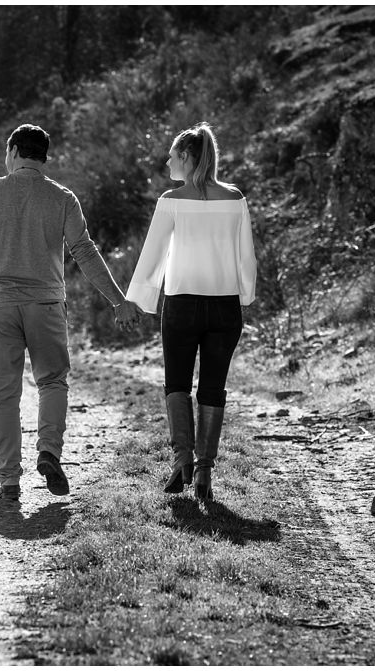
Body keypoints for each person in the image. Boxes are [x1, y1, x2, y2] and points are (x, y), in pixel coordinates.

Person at [0, 123, 142, 501]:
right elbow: (84, 252)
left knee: (5, 394)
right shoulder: (63, 198)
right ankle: (48, 452)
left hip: (0, 305)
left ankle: (8, 480)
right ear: (43, 157)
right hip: (46, 304)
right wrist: (118, 301)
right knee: (52, 382)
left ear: (14, 150)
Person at [126, 122, 257, 500]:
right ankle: (203, 472)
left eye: (172, 154)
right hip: (224, 307)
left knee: (177, 384)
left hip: (181, 305)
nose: (167, 160)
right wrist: (244, 296)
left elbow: (152, 256)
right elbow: (245, 257)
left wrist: (139, 300)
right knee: (213, 387)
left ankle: (183, 460)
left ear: (186, 156)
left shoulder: (170, 200)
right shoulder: (235, 199)